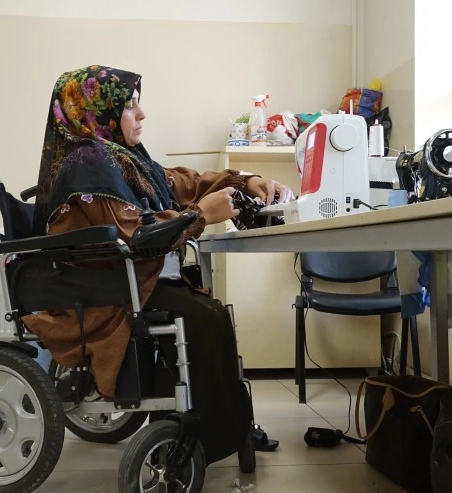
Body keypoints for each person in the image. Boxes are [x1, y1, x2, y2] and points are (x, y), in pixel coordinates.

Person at [22, 65, 293, 465]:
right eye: (130, 106)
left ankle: (227, 425)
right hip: (111, 291)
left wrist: (244, 180)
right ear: (97, 110)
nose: (142, 114)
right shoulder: (88, 163)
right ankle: (211, 436)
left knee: (212, 314)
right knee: (207, 317)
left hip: (136, 281)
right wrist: (201, 214)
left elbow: (184, 182)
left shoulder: (122, 158)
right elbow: (134, 235)